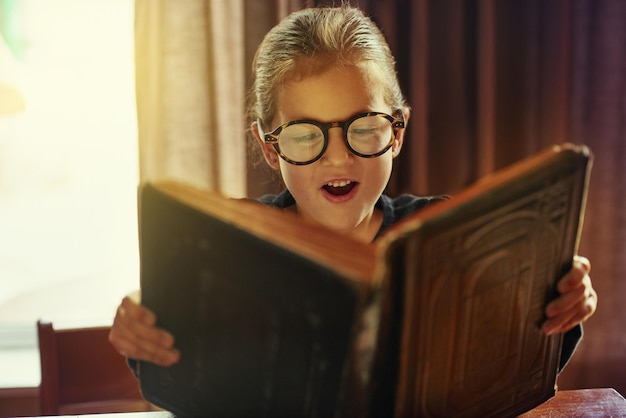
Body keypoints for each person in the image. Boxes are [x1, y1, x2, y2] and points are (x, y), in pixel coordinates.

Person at [109, 5, 597, 373]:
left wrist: (557, 295)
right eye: (305, 135)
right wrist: (147, 322)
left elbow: (517, 353)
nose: (337, 157)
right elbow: (176, 356)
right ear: (270, 147)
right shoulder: (226, 245)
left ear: (398, 131)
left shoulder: (453, 237)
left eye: (364, 127)